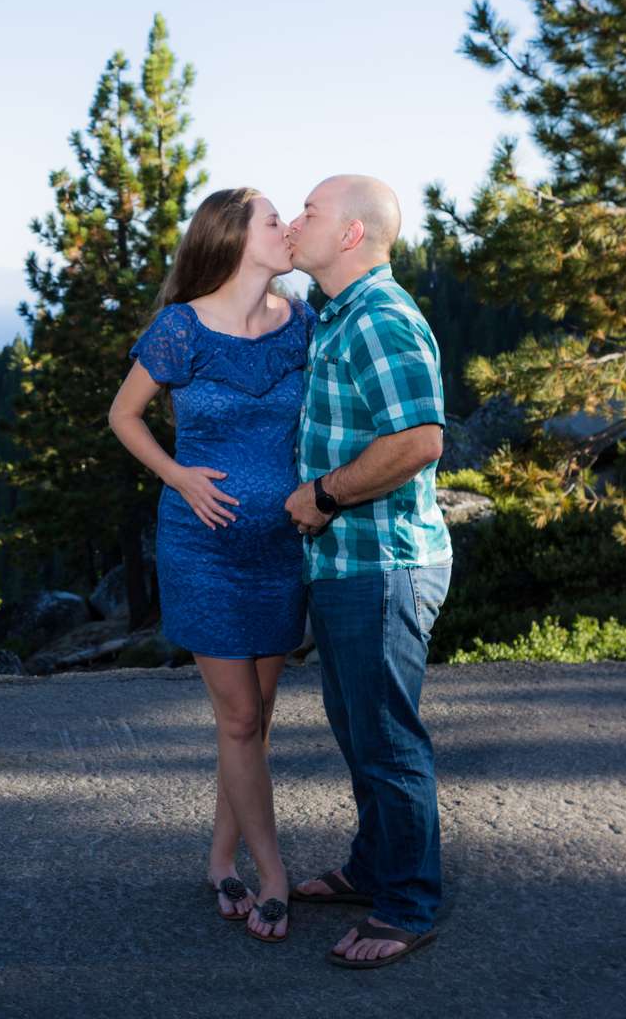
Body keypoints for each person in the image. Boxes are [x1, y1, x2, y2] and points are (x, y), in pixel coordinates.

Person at [108, 187, 315, 944]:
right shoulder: (180, 328)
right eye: (273, 220)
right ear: (233, 240)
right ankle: (273, 874)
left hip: (280, 550)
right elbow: (123, 415)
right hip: (204, 550)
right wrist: (179, 475)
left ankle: (220, 856)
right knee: (237, 717)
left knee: (253, 722)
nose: (288, 228)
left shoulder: (302, 321)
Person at [281, 174, 453, 970]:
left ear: (350, 234)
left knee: (385, 739)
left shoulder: (381, 318)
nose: (293, 220)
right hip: (349, 563)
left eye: (309, 211)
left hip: (381, 565)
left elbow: (419, 441)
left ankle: (408, 905)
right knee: (360, 732)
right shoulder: (337, 317)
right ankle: (372, 865)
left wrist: (322, 494)